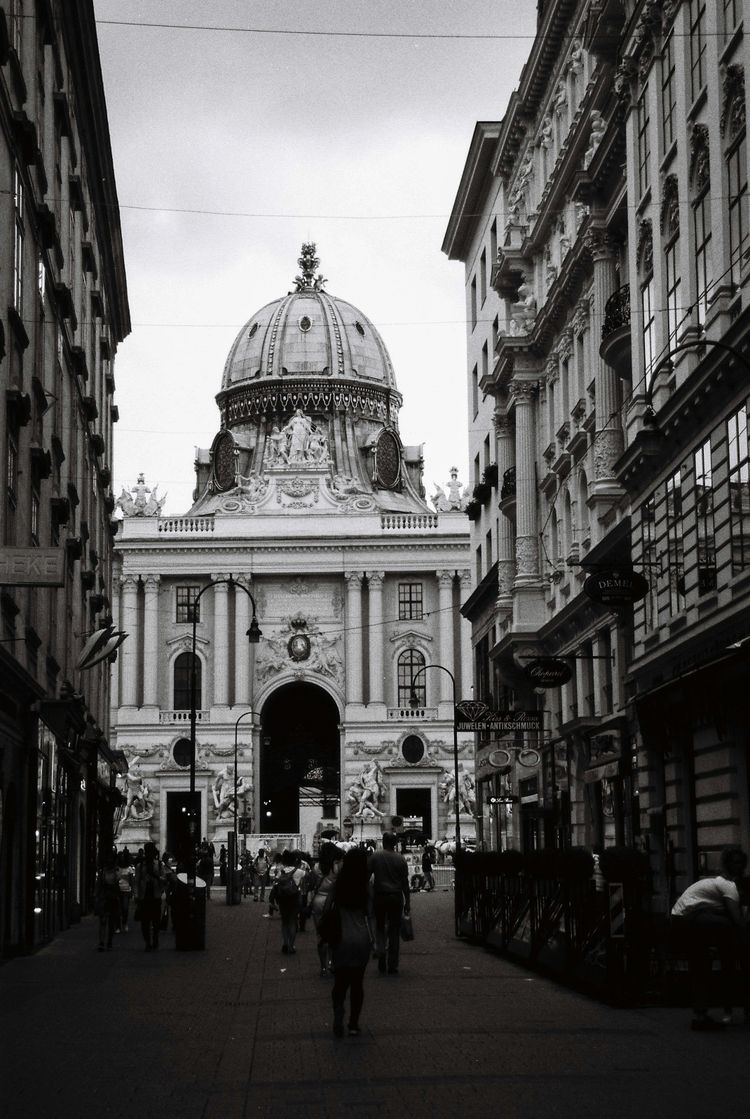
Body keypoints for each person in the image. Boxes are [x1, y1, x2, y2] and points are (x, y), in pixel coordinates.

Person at [671, 846, 750, 1029]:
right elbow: (737, 920)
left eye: (740, 863)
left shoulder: (713, 883)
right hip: (688, 920)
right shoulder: (728, 886)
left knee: (701, 966)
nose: (738, 866)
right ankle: (714, 1007)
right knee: (728, 931)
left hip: (680, 919)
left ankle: (701, 1013)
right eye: (735, 863)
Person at [326, 847, 373, 1037]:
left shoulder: (338, 884)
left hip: (341, 938)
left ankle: (338, 1011)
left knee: (340, 981)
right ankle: (353, 1024)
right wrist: (376, 942)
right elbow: (371, 915)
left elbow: (327, 907)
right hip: (361, 938)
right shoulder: (366, 886)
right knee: (357, 983)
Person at [368, 832, 410, 976]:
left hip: (380, 896)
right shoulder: (401, 859)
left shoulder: (376, 856)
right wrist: (408, 902)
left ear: (383, 842)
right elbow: (405, 883)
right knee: (394, 931)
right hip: (396, 897)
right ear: (395, 843)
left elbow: (366, 876)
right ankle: (393, 964)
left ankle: (381, 954)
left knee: (380, 927)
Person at [311, 844, 342, 976]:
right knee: (334, 933)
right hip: (333, 901)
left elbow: (313, 884)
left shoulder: (317, 867)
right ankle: (332, 963)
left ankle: (323, 966)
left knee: (321, 934)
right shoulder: (337, 866)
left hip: (318, 900)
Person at [134, 841, 165, 951]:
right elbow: (136, 881)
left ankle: (155, 938)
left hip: (155, 896)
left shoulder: (159, 865)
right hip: (144, 896)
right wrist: (137, 895)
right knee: (145, 922)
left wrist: (156, 878)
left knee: (156, 921)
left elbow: (164, 879)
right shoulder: (140, 866)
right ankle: (147, 942)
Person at [276, 851, 306, 954]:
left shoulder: (281, 872)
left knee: (284, 922)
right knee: (293, 922)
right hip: (294, 898)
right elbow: (305, 884)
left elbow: (276, 883)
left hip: (283, 899)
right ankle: (291, 946)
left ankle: (285, 943)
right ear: (294, 860)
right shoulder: (300, 872)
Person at [95, 854, 121, 951]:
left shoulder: (116, 872)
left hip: (112, 898)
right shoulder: (102, 872)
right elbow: (98, 885)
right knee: (103, 921)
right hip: (105, 898)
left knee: (111, 922)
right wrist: (97, 897)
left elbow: (117, 884)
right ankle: (102, 942)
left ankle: (109, 941)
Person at [116, 855, 135, 933]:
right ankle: (118, 926)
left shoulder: (129, 869)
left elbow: (131, 881)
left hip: (126, 890)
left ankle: (124, 923)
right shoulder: (116, 869)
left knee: (125, 908)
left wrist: (132, 890)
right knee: (118, 909)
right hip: (118, 890)